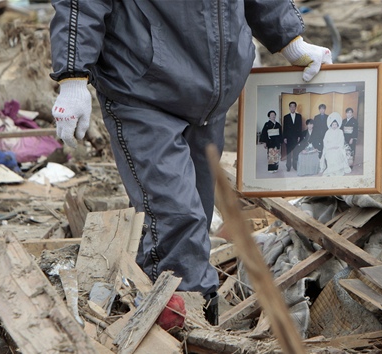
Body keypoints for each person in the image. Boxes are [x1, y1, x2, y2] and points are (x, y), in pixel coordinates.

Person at [48, 0, 332, 326]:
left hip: (212, 93)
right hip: (141, 86)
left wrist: (290, 41)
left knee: (197, 207)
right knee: (176, 215)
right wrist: (73, 74)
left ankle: (178, 310)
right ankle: (186, 326)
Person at [282, 101, 303, 172]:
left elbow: (300, 127)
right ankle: (288, 166)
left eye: (294, 106)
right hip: (288, 138)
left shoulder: (299, 116)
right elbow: (284, 128)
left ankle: (295, 165)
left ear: (295, 107)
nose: (292, 108)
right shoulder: (286, 117)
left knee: (295, 152)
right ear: (289, 108)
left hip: (296, 137)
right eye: (291, 106)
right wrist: (284, 137)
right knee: (288, 152)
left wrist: (299, 136)